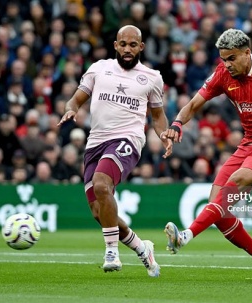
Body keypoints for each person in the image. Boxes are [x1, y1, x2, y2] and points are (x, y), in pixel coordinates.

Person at [162, 29, 252, 282]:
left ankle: (185, 236)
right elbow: (195, 103)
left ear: (246, 53)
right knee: (218, 210)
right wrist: (177, 123)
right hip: (247, 144)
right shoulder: (222, 74)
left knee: (237, 181)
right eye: (223, 59)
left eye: (231, 59)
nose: (226, 65)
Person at [58, 25, 172, 277]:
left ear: (141, 47)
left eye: (133, 45)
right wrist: (71, 109)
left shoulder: (152, 77)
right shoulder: (99, 68)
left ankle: (111, 252)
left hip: (127, 139)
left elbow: (157, 115)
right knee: (100, 213)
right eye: (123, 44)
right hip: (95, 142)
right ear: (115, 46)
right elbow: (76, 99)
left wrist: (163, 135)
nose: (128, 49)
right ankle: (142, 247)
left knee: (101, 185)